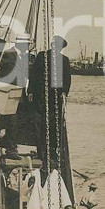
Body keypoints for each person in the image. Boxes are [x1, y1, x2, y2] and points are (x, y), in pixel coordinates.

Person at [28, 36, 72, 167]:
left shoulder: (64, 60)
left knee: (53, 125)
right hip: (40, 95)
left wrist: (64, 92)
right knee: (39, 124)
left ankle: (52, 152)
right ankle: (41, 151)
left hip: (55, 98)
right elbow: (34, 74)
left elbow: (67, 78)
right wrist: (30, 91)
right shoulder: (42, 56)